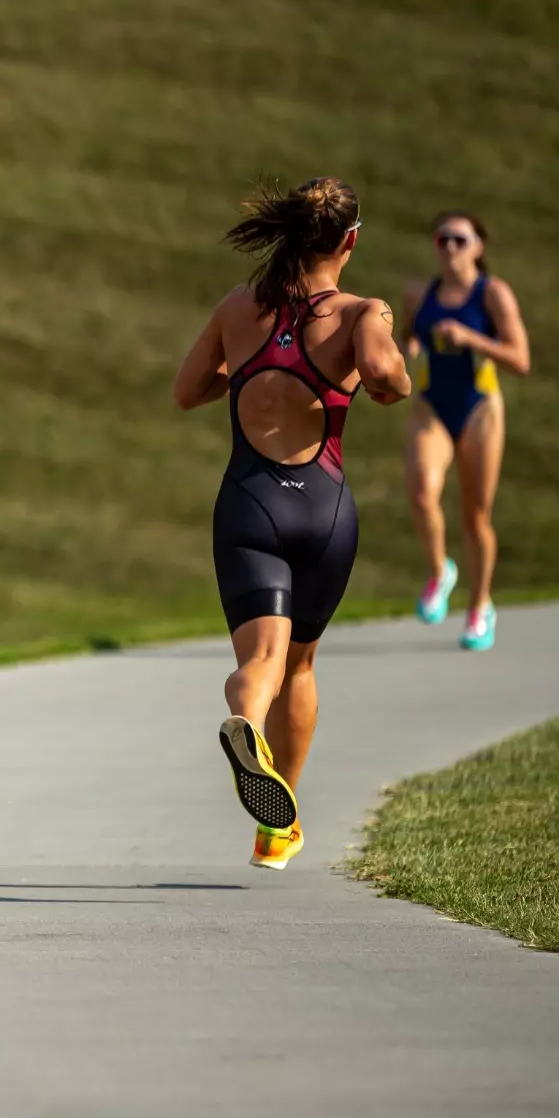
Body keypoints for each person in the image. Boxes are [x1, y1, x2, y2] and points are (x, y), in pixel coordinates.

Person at [172, 178, 411, 869]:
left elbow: (188, 391)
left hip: (249, 504)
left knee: (261, 664)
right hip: (323, 510)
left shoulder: (240, 306)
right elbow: (386, 378)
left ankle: (245, 723)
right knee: (302, 664)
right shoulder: (364, 311)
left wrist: (248, 373)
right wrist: (387, 366)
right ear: (350, 241)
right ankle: (277, 830)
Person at [400, 211, 532, 650]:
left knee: (475, 516)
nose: (450, 248)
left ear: (479, 247)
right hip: (432, 404)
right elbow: (409, 336)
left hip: (480, 408)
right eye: (442, 240)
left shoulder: (492, 294)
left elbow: (520, 359)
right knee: (421, 492)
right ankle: (441, 571)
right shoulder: (419, 295)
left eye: (459, 240)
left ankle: (480, 606)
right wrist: (408, 350)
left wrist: (470, 339)